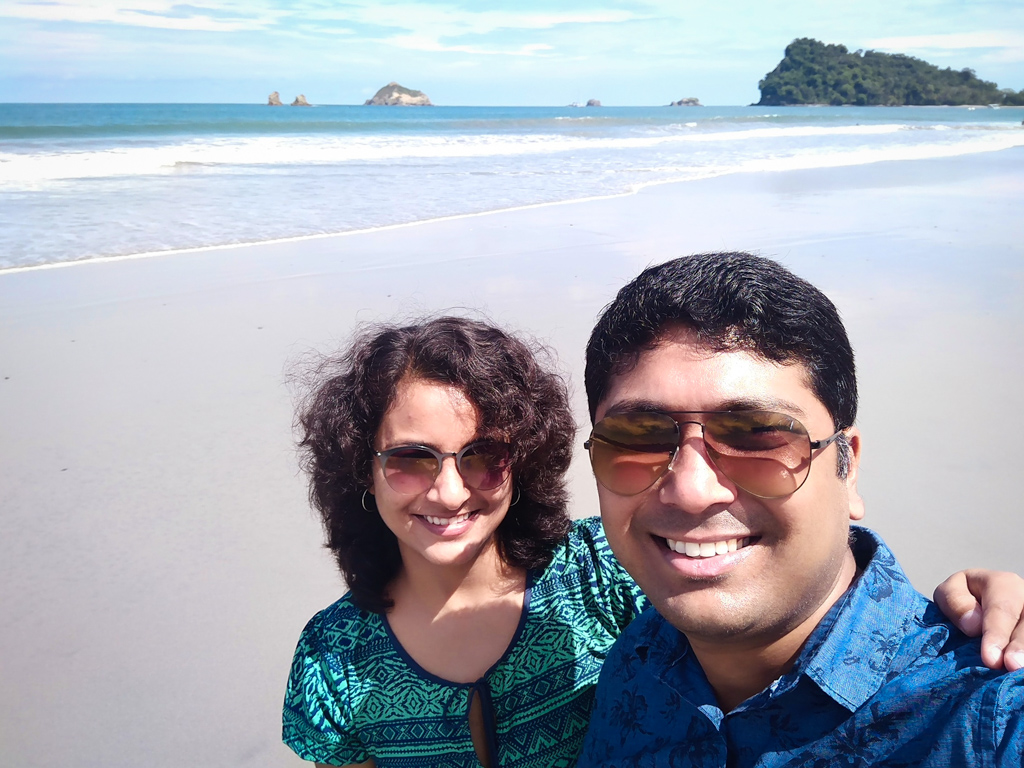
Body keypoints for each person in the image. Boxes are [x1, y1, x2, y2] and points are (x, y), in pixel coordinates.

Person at [282, 316, 1024, 768]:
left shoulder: (599, 576)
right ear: (362, 470)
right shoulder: (335, 655)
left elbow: (769, 590)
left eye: (483, 455)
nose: (449, 490)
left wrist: (976, 604)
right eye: (412, 459)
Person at [577, 253, 1024, 766]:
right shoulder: (638, 654)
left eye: (757, 435)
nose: (692, 490)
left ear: (847, 466)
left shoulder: (987, 721)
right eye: (640, 437)